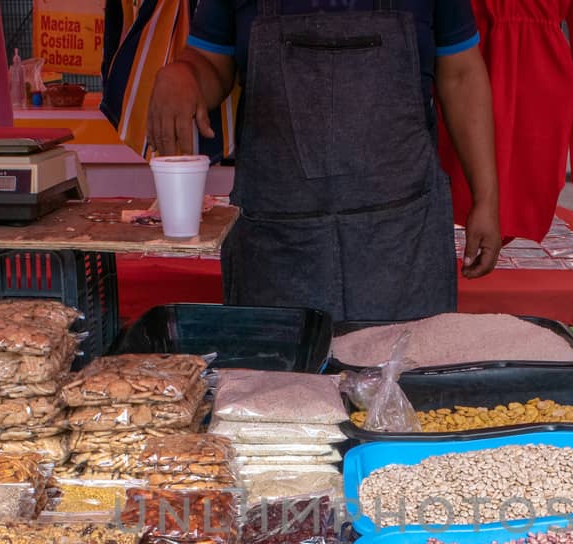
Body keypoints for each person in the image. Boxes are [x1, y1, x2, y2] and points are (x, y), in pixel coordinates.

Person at [148, 0, 502, 321]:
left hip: (402, 242)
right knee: (274, 385)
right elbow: (211, 60)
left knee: (405, 384)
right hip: (276, 245)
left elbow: (461, 75)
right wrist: (184, 73)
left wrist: (486, 199)